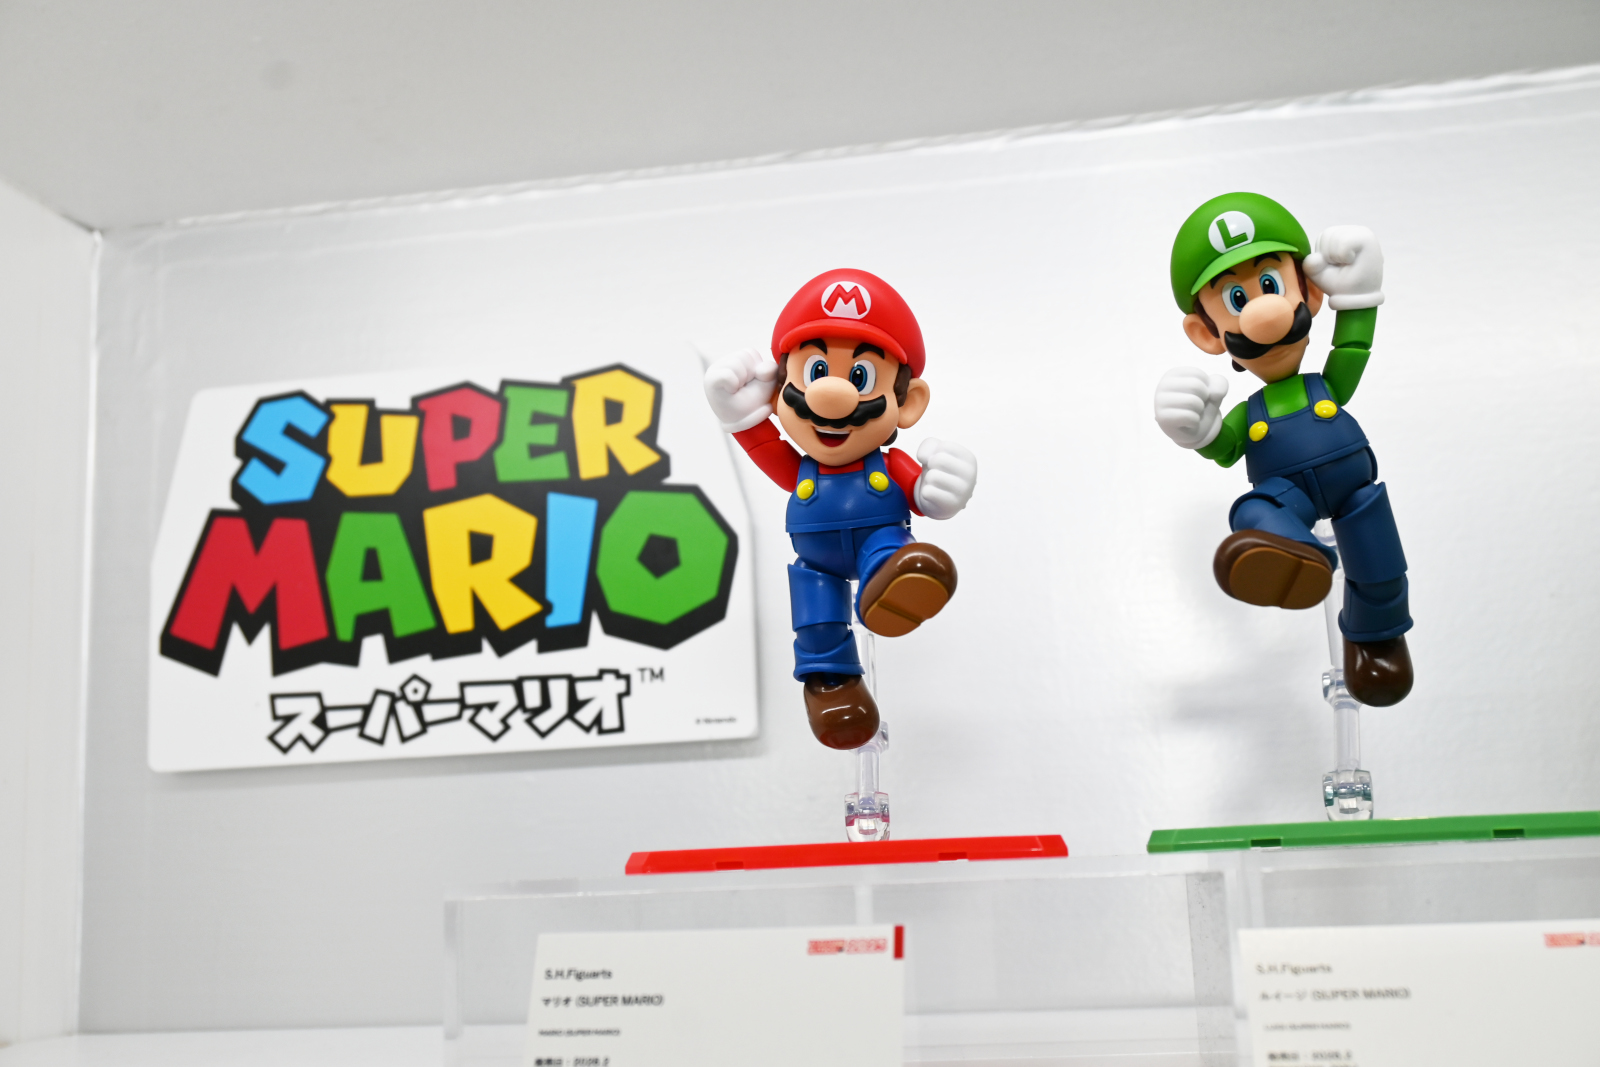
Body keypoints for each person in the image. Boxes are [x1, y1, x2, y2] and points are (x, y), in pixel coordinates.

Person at [1154, 192, 1413, 706]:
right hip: (1287, 494)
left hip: (1354, 489)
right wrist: (1198, 430)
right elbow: (1227, 447)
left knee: (1379, 563)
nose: (1263, 314)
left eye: (1270, 285)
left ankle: (1376, 641)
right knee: (1254, 510)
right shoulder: (1248, 412)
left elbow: (1352, 348)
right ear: (1207, 334)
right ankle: (1296, 555)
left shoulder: (1325, 384)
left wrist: (1360, 297)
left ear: (1309, 292)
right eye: (1237, 299)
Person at [704, 268, 979, 747]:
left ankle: (889, 584)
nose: (831, 397)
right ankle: (834, 690)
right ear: (779, 391)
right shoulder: (799, 469)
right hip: (817, 563)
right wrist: (739, 415)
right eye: (815, 372)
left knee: (891, 552)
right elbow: (764, 445)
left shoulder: (888, 465)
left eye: (859, 376)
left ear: (908, 402)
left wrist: (940, 490)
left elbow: (921, 493)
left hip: (881, 541)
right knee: (817, 622)